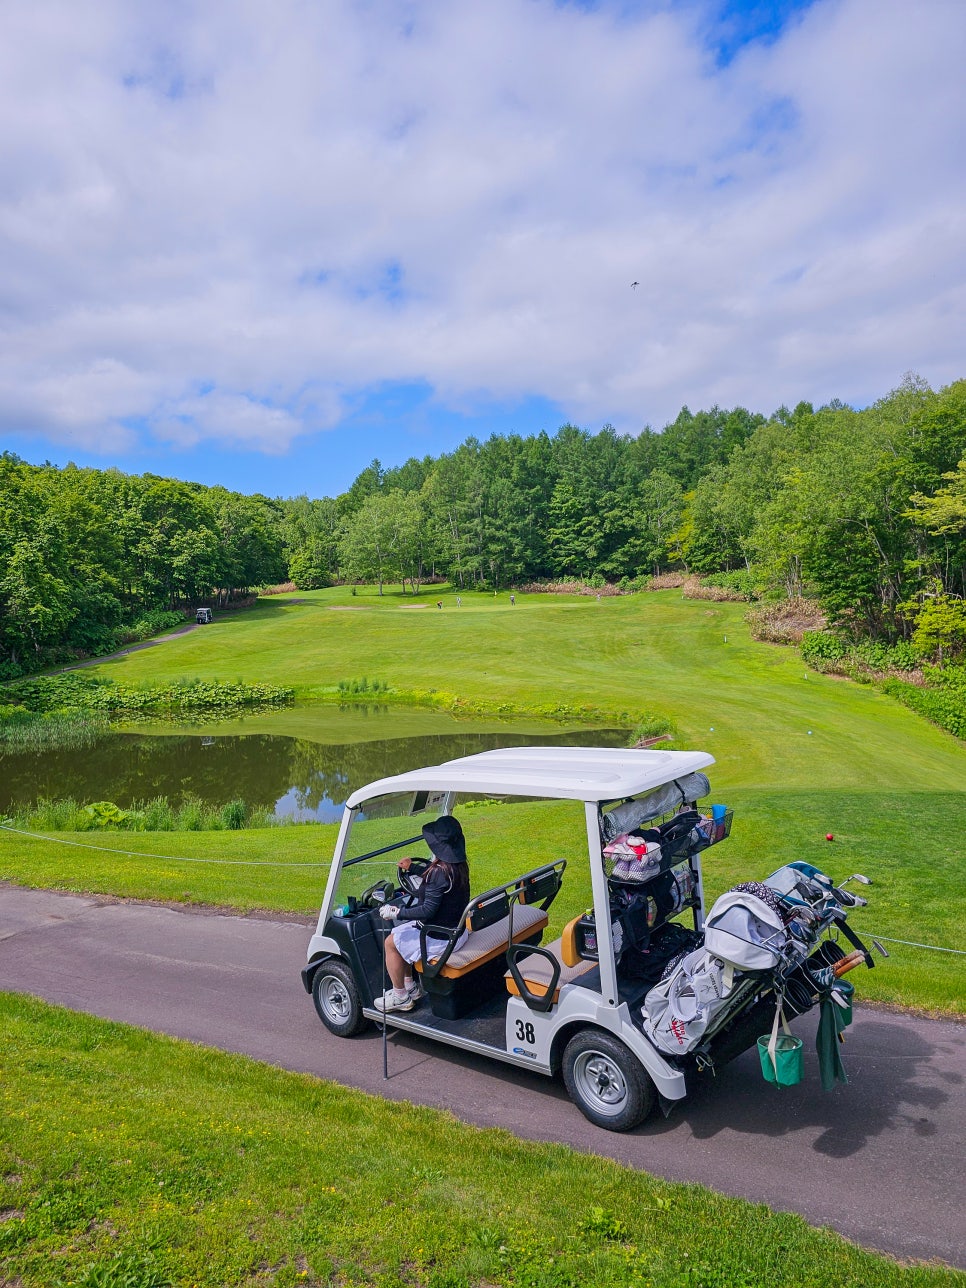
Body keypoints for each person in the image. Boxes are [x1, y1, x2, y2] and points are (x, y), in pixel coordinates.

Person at [375, 815, 471, 1013]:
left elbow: (428, 910)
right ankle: (411, 986)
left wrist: (397, 911)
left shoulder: (438, 874)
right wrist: (413, 868)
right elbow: (434, 877)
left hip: (440, 938)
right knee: (404, 933)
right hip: (457, 931)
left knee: (391, 942)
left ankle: (400, 996)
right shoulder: (457, 866)